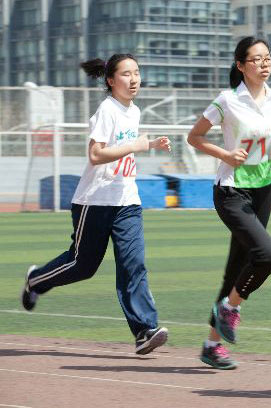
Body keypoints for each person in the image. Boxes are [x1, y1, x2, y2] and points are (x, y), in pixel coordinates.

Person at [21, 54, 172, 355]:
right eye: (126, 74)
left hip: (127, 200)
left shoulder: (133, 111)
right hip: (95, 201)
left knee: (133, 264)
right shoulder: (107, 110)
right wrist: (137, 145)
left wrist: (151, 144)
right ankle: (36, 280)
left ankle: (144, 330)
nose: (134, 79)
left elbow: (125, 151)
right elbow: (96, 154)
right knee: (83, 266)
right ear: (111, 80)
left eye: (137, 72)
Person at [187, 37, 271, 370]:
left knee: (236, 269)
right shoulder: (227, 100)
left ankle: (212, 346)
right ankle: (230, 307)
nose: (264, 64)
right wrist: (225, 154)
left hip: (263, 190)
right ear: (240, 65)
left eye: (269, 58)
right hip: (232, 191)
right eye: (257, 59)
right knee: (267, 256)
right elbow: (195, 136)